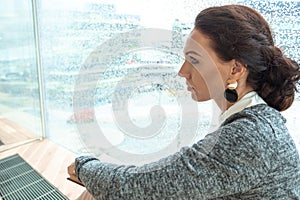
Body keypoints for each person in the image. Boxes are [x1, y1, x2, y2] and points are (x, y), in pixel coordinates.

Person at [68, 4, 300, 199]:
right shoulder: (256, 123)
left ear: (236, 69)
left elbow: (136, 189)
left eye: (195, 60)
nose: (183, 71)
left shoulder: (250, 136)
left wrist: (83, 165)